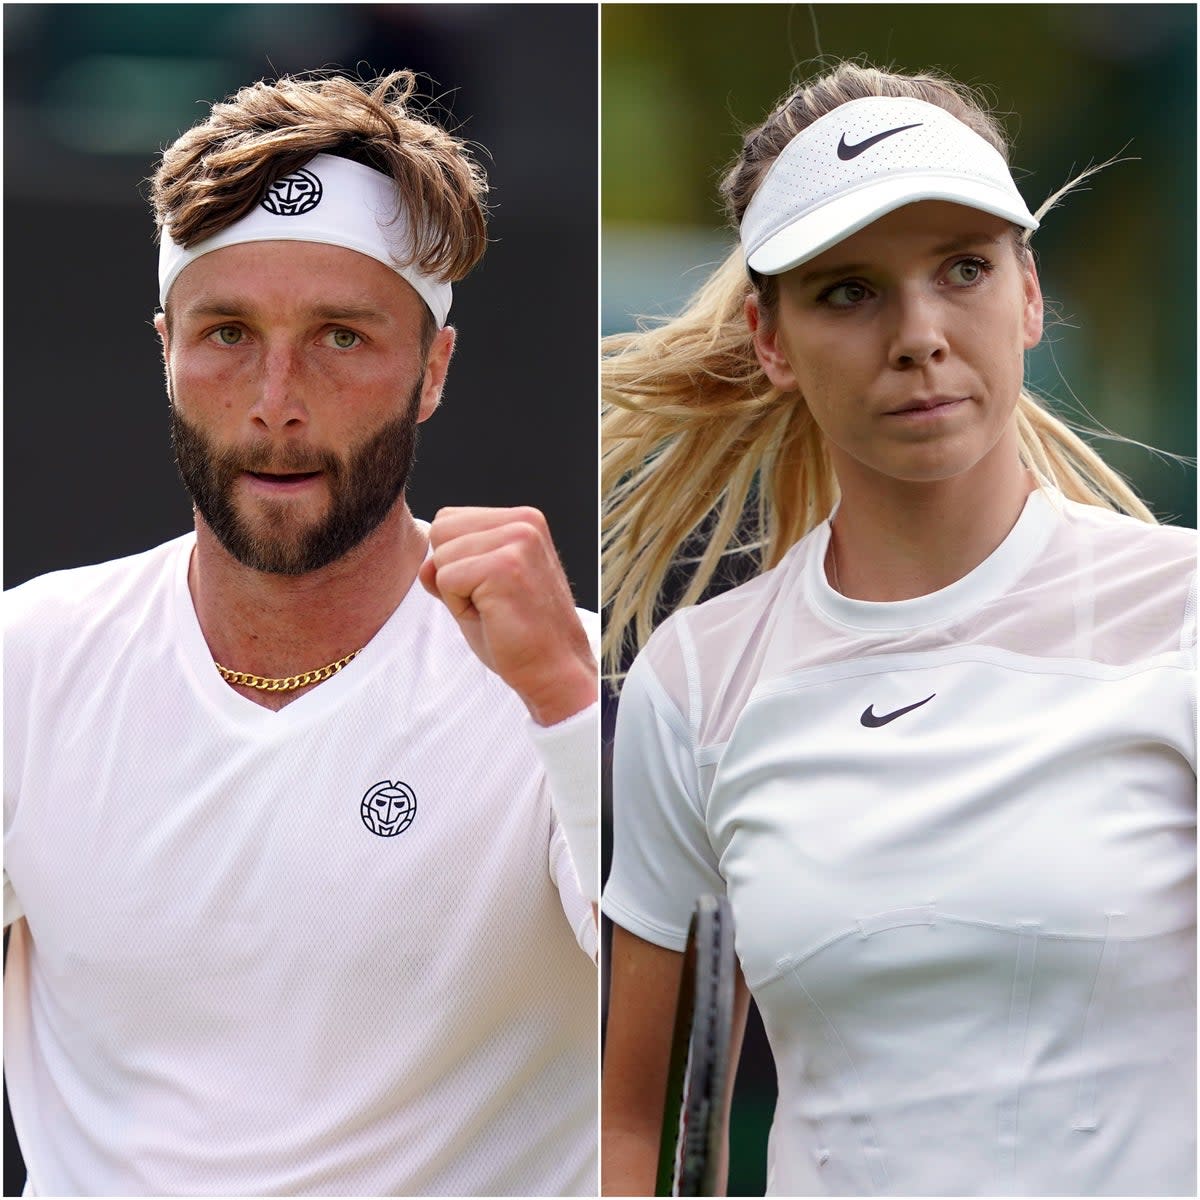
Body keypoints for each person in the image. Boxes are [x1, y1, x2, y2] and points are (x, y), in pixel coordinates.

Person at [601, 61, 1195, 1196]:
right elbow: (632, 1131)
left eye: (962, 270)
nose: (920, 334)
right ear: (771, 341)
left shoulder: (1185, 615)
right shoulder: (697, 682)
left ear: (1028, 294)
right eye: (849, 292)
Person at [4, 70, 599, 1196]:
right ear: (165, 349)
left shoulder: (573, 684)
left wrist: (570, 703)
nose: (277, 397)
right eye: (228, 333)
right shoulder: (28, 662)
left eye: (340, 337)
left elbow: (689, 1002)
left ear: (432, 370)